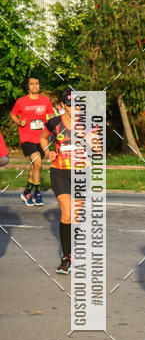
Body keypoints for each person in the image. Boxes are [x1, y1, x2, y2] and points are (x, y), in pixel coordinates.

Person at [40, 89, 76, 273]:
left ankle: (74, 250)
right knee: (66, 215)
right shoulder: (54, 123)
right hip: (59, 171)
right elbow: (43, 138)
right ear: (63, 105)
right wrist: (48, 152)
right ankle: (66, 257)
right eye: (69, 104)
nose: (73, 108)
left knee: (75, 216)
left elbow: (97, 147)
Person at [10, 75, 55, 206]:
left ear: (39, 85)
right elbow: (13, 114)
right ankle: (37, 194)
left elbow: (51, 114)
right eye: (31, 84)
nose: (34, 86)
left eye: (37, 83)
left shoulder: (46, 101)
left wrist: (52, 118)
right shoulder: (21, 101)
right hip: (27, 138)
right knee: (38, 163)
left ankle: (26, 193)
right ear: (28, 86)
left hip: (41, 139)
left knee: (34, 168)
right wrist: (19, 121)